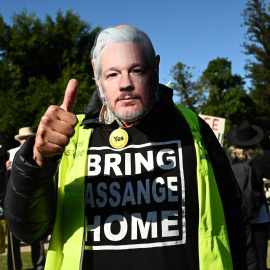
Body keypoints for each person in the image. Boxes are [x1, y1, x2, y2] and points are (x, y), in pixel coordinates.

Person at [4, 25, 259, 270]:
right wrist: (37, 162)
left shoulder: (193, 129)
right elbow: (28, 229)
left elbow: (236, 223)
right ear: (97, 75)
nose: (125, 83)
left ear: (156, 68)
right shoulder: (69, 137)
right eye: (112, 74)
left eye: (136, 70)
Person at [227, 120, 270, 270]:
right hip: (259, 214)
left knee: (239, 257)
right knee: (261, 259)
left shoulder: (228, 158)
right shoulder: (263, 158)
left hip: (236, 213)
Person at [5, 127, 46, 270]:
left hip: (34, 200)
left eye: (28, 137)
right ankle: (14, 266)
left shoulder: (39, 152)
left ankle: (40, 265)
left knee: (37, 236)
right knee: (13, 237)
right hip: (15, 200)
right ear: (19, 140)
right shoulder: (11, 153)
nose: (25, 140)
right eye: (23, 138)